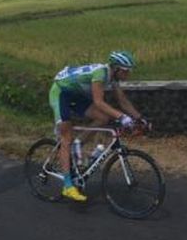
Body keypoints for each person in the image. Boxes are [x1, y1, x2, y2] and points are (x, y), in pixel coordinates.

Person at [49, 51, 143, 202]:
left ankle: (78, 143)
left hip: (76, 94)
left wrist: (139, 118)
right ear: (117, 69)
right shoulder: (100, 73)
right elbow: (99, 102)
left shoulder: (112, 78)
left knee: (103, 118)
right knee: (66, 136)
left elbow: (123, 101)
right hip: (61, 92)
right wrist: (122, 117)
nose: (128, 74)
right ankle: (67, 186)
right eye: (126, 71)